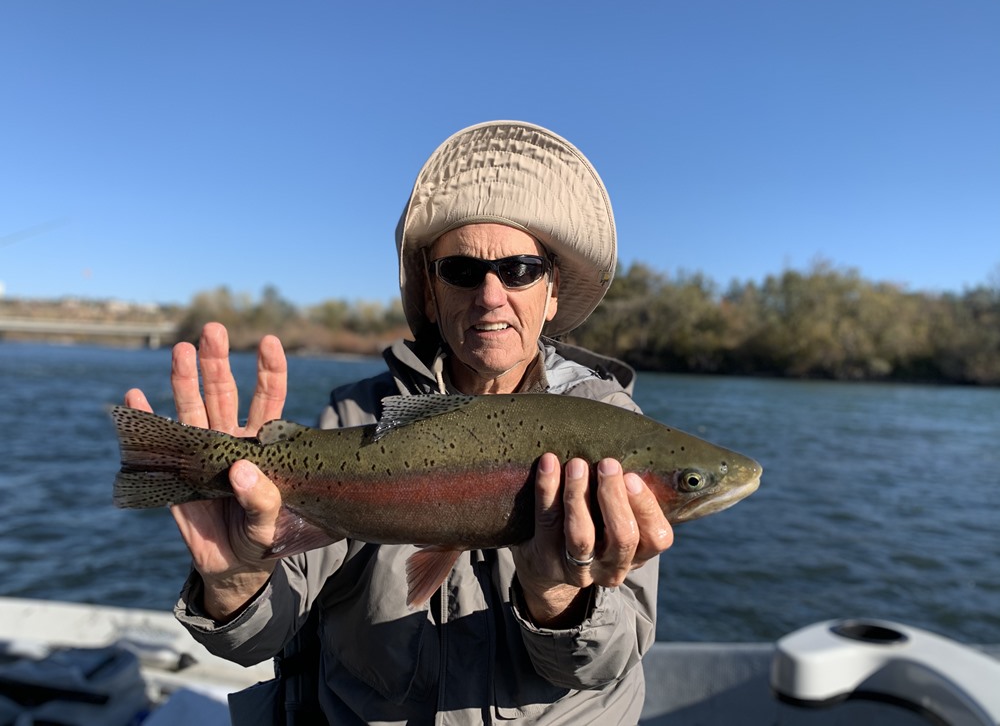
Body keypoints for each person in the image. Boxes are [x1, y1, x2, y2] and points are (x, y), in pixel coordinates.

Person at [124, 120, 674, 725]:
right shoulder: (355, 418)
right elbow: (256, 640)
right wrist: (232, 581)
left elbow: (607, 663)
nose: (491, 294)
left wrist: (559, 598)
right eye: (461, 270)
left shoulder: (612, 429)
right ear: (432, 294)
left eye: (519, 269)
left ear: (550, 292)